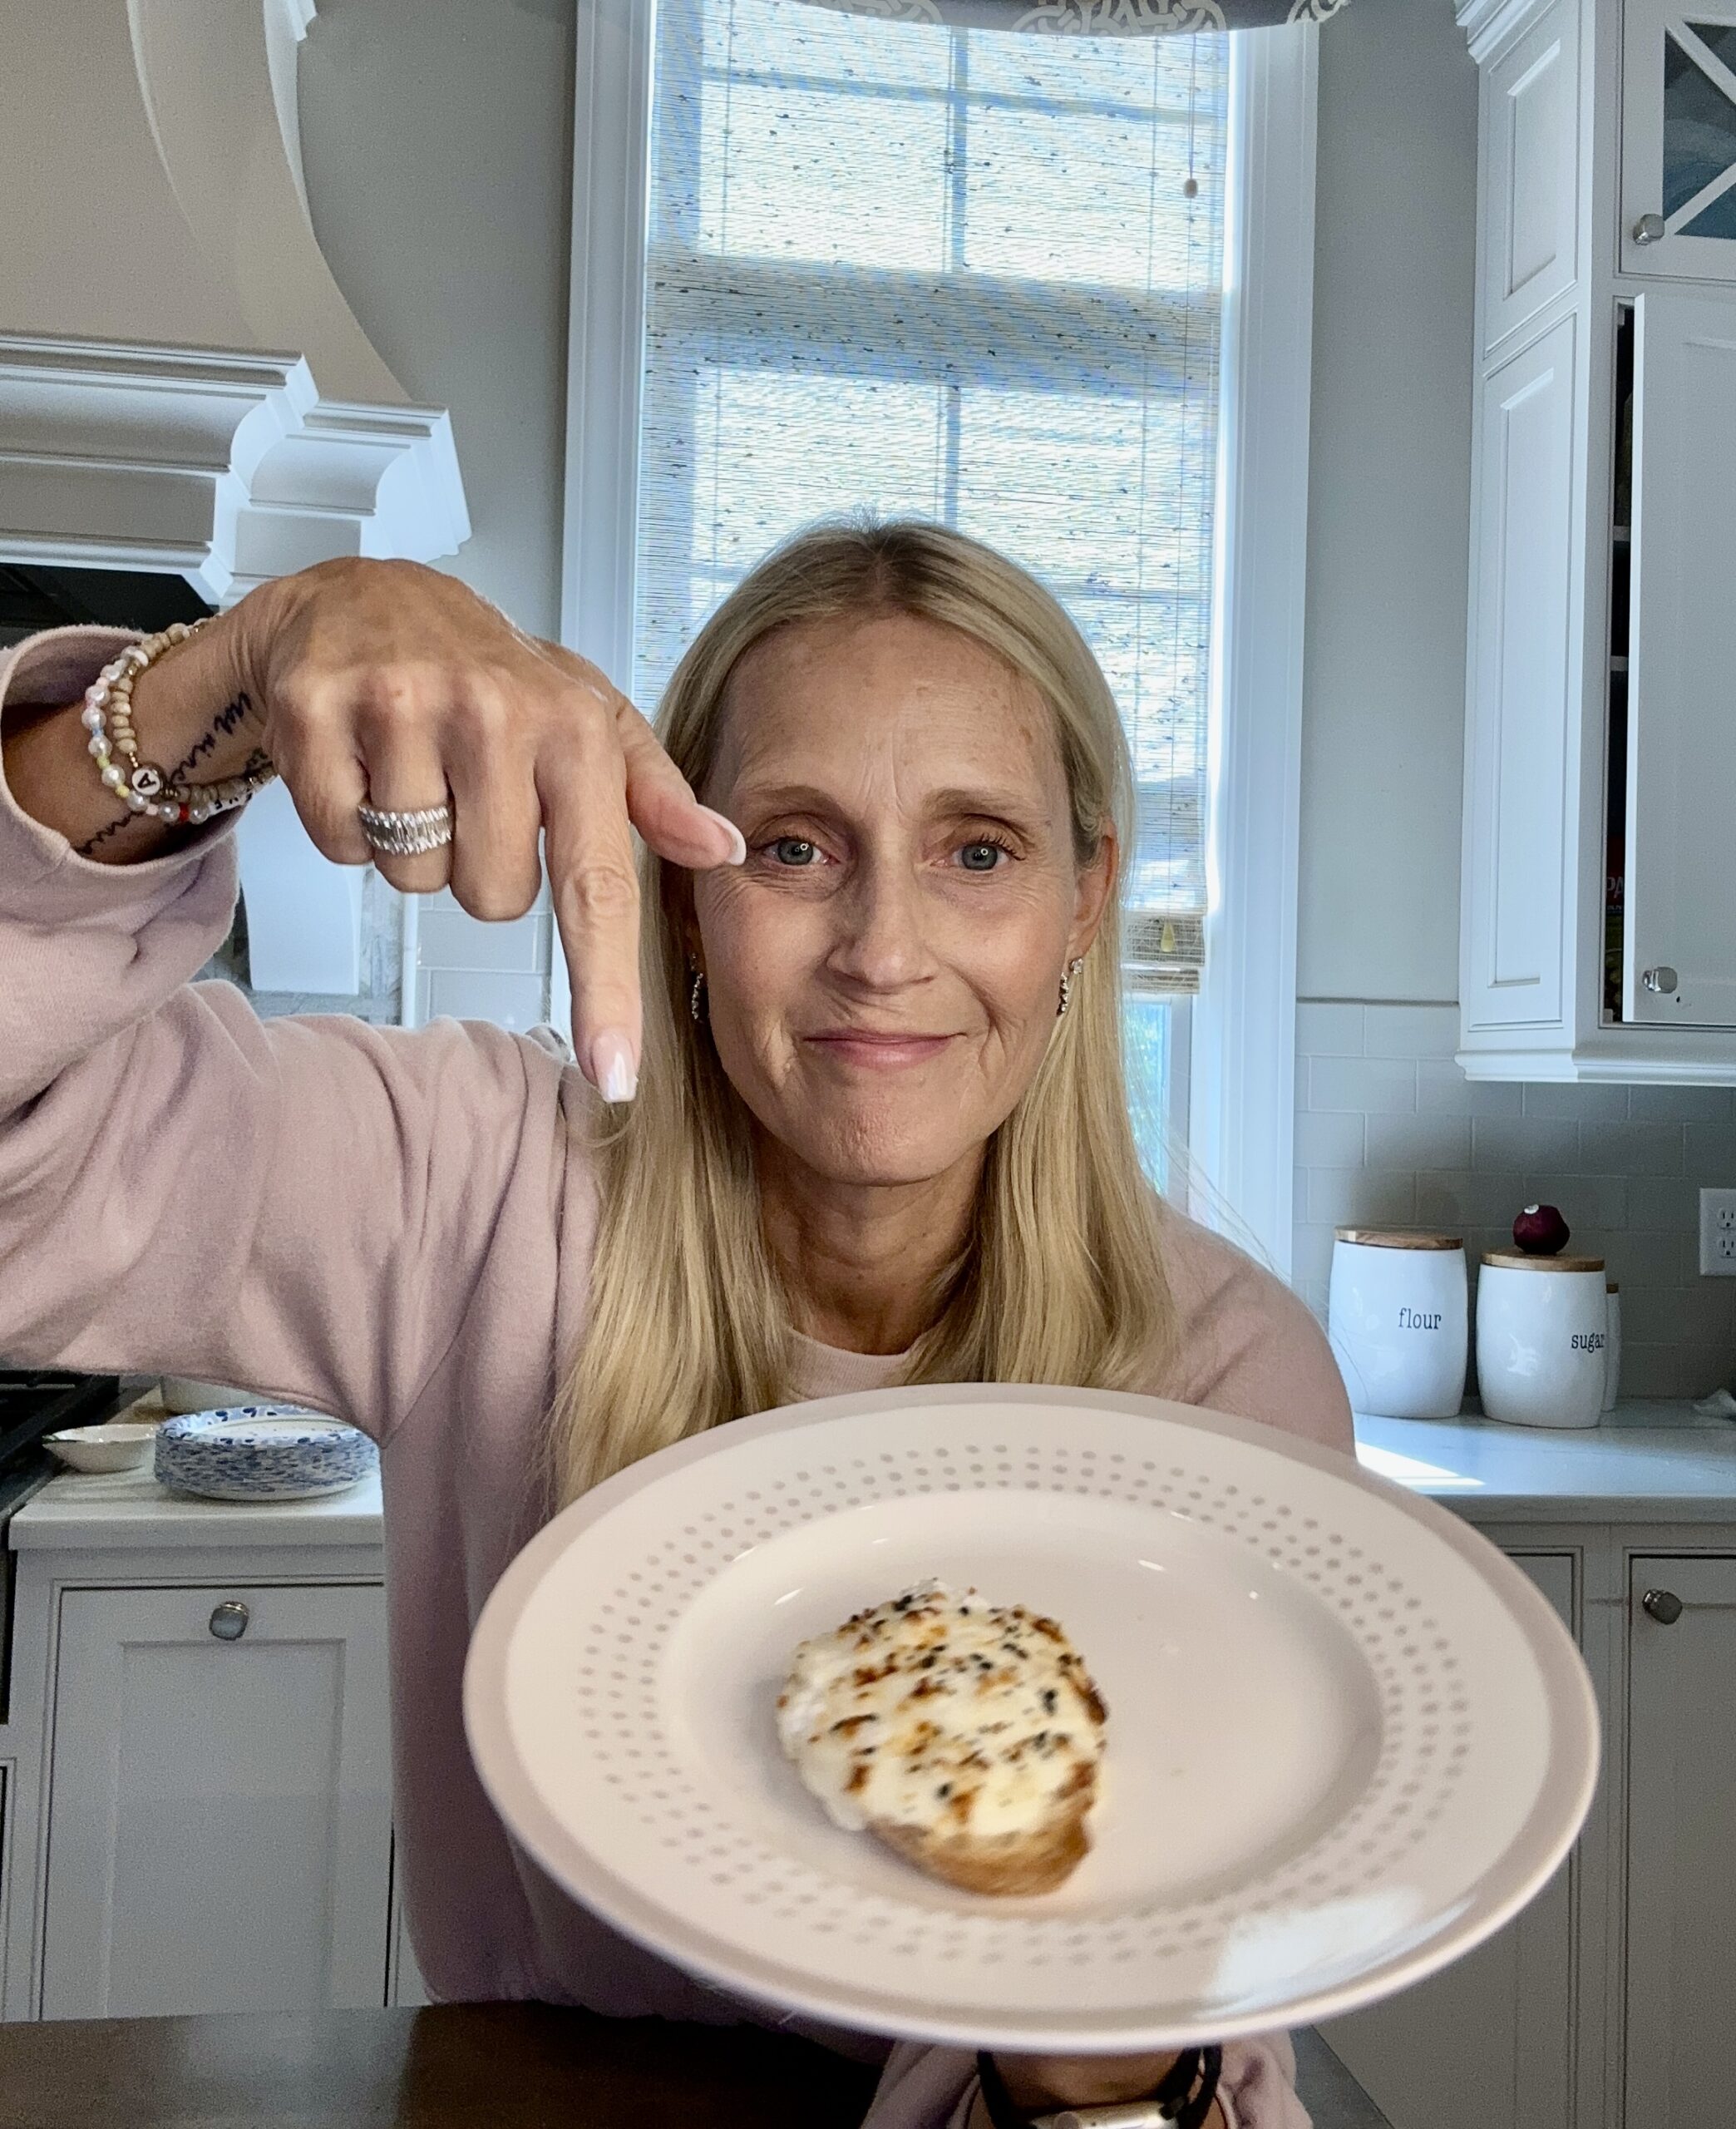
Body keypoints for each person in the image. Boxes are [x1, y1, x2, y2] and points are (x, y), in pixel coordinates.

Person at [0, 519, 1352, 2128]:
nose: (884, 950)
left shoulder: (1224, 1380)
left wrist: (1110, 2067)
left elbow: (1202, 2055)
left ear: (1083, 905)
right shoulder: (482, 1190)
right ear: (681, 889)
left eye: (978, 850)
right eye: (793, 845)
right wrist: (214, 677)